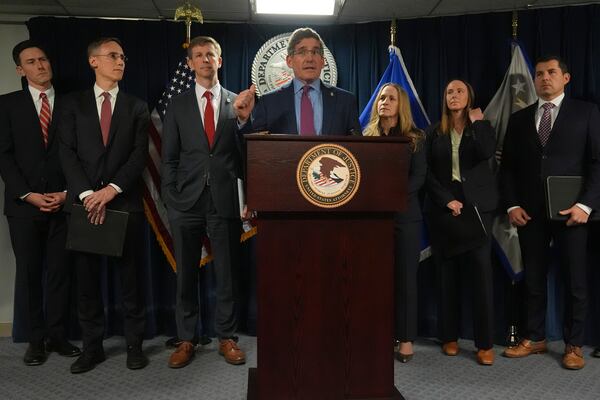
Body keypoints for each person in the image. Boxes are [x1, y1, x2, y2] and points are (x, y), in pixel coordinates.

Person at [500, 56, 600, 370]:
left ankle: (574, 345)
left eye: (552, 72)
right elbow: (508, 170)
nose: (545, 78)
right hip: (529, 214)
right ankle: (536, 337)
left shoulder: (586, 112)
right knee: (532, 279)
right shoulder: (519, 119)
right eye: (540, 73)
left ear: (565, 78)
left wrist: (586, 205)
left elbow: (597, 163)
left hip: (573, 213)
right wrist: (512, 205)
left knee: (575, 281)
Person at [59, 37, 150, 373]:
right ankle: (92, 348)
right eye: (113, 56)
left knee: (131, 282)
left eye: (123, 56)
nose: (120, 61)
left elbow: (138, 156)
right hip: (84, 207)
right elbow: (66, 153)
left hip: (123, 204)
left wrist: (111, 190)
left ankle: (134, 345)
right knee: (86, 284)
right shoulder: (71, 104)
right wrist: (86, 195)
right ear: (93, 61)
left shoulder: (137, 107)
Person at [161, 36, 246, 369]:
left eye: (210, 54)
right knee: (186, 275)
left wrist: (243, 121)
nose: (205, 59)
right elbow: (168, 157)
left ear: (220, 61)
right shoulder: (178, 105)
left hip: (223, 202)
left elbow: (244, 156)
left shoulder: (236, 102)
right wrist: (171, 197)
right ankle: (186, 338)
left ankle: (226, 337)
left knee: (226, 274)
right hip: (185, 202)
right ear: (190, 63)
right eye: (198, 55)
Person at [0, 40, 80, 366]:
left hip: (64, 202)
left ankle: (57, 335)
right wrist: (28, 194)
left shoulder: (73, 104)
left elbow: (79, 154)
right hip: (24, 206)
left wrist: (66, 192)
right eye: (31, 62)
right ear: (21, 70)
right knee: (31, 273)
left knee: (60, 273)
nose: (40, 65)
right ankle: (36, 340)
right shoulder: (6, 105)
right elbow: (3, 157)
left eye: (43, 59)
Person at [424, 79, 497, 366]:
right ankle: (449, 337)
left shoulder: (483, 127)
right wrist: (446, 200)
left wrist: (478, 123)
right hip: (445, 210)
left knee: (481, 277)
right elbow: (426, 173)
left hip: (477, 209)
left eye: (460, 91)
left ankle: (485, 344)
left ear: (470, 97)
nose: (454, 96)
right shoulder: (433, 132)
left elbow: (486, 153)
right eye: (449, 92)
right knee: (447, 276)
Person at [363, 83, 426, 362]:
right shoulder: (367, 136)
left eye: (390, 98)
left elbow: (418, 178)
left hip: (406, 217)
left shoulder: (416, 139)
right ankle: (379, 335)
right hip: (375, 219)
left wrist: (392, 196)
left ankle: (406, 339)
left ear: (401, 104)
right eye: (380, 98)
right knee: (376, 280)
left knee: (405, 281)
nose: (384, 102)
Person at [234, 27, 361, 135]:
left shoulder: (346, 101)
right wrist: (244, 120)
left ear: (322, 61)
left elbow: (357, 149)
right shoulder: (269, 102)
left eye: (315, 52)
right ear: (289, 61)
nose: (310, 58)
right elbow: (254, 149)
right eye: (302, 52)